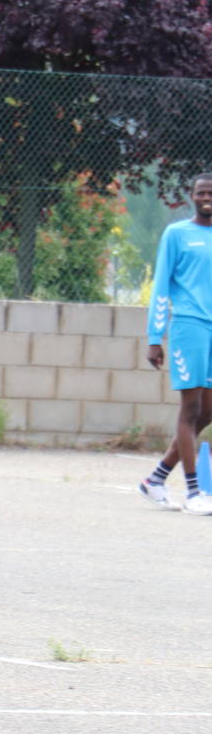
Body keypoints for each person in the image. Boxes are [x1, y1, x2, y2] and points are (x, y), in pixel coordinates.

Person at [139, 173, 212, 515]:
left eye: (211, 192)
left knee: (208, 411)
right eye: (201, 192)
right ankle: (195, 492)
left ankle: (156, 479)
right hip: (189, 328)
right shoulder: (177, 234)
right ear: (191, 196)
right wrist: (155, 339)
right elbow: (161, 288)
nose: (206, 197)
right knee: (191, 410)